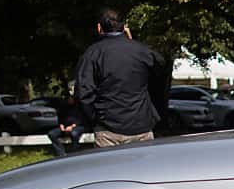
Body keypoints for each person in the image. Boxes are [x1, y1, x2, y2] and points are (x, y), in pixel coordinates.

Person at [72, 8, 170, 147]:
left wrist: (95, 119)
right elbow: (160, 72)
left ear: (99, 28)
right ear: (124, 27)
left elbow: (83, 93)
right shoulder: (141, 51)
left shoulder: (93, 54)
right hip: (141, 125)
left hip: (108, 129)